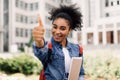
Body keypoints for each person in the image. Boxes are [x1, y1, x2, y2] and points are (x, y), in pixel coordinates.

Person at [32, 4, 84, 80]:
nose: (57, 31)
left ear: (69, 30)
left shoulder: (77, 49)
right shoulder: (49, 47)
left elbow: (80, 73)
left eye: (62, 28)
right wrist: (39, 41)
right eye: (55, 27)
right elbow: (41, 51)